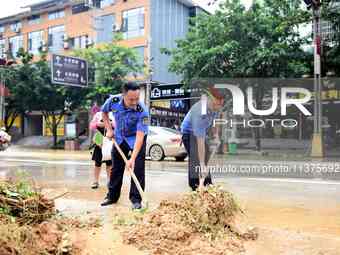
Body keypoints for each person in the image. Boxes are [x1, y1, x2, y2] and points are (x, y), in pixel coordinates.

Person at [100, 82, 149, 210]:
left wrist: (132, 158)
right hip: (120, 137)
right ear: (123, 95)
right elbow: (104, 113)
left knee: (137, 167)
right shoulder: (113, 101)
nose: (134, 102)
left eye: (137, 99)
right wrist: (109, 129)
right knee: (116, 167)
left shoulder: (142, 111)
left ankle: (136, 199)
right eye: (131, 99)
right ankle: (112, 196)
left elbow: (139, 136)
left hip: (136, 138)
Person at [181, 87, 224, 191]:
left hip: (201, 131)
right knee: (196, 159)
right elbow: (200, 141)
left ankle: (208, 184)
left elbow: (216, 120)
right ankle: (195, 187)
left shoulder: (216, 107)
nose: (218, 107)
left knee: (206, 157)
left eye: (220, 105)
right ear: (209, 99)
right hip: (188, 132)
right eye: (216, 104)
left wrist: (216, 135)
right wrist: (201, 164)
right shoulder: (199, 112)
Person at [89, 111, 115, 189]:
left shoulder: (113, 115)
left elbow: (117, 125)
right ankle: (95, 181)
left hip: (109, 140)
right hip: (99, 139)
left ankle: (109, 181)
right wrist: (98, 124)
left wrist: (110, 124)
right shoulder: (98, 114)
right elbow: (92, 126)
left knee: (109, 164)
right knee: (97, 163)